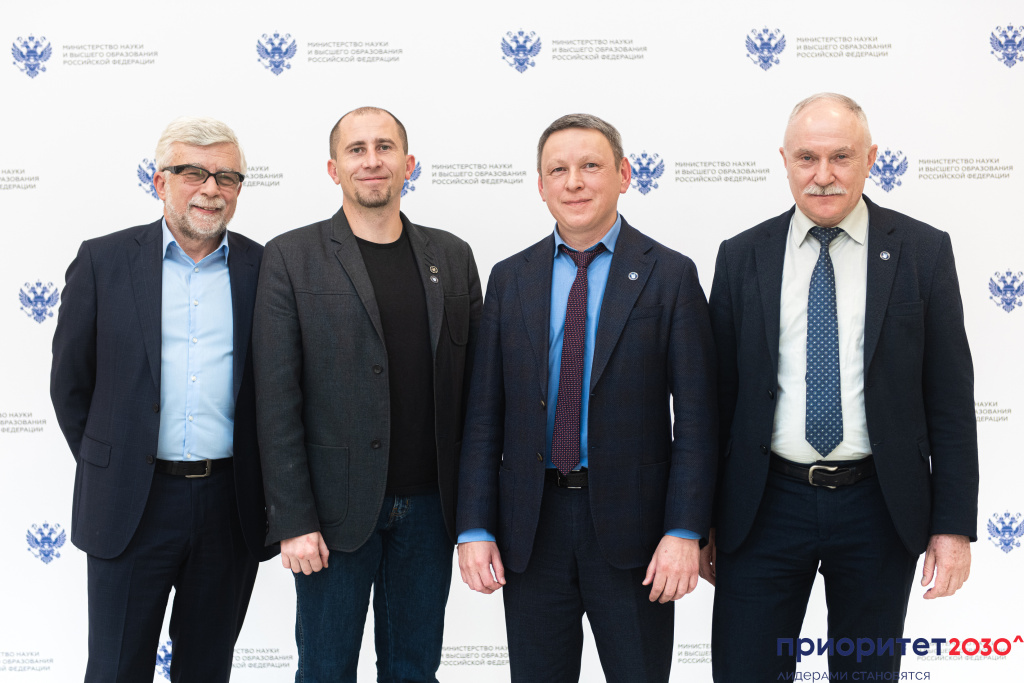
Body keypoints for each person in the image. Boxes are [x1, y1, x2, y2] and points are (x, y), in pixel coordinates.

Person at [702, 93, 978, 680]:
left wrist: (953, 526)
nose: (823, 175)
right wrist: (698, 522)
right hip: (762, 506)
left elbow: (950, 402)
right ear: (785, 161)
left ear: (870, 158)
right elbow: (714, 404)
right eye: (807, 157)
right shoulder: (741, 256)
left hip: (879, 505)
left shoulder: (924, 252)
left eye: (841, 157)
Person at [457, 113, 717, 683]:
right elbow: (483, 417)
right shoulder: (509, 278)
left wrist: (684, 530)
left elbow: (699, 420)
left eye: (591, 166)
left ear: (624, 175)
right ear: (541, 185)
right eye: (559, 170)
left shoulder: (670, 275)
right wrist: (474, 527)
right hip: (531, 528)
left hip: (635, 533)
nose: (574, 182)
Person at [253, 106, 481, 683]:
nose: (372, 160)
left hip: (430, 512)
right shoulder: (291, 257)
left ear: (409, 164)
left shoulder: (453, 256)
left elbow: (477, 395)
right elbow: (275, 401)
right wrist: (293, 519)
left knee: (414, 671)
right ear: (334, 169)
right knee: (325, 671)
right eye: (356, 149)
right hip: (332, 517)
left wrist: (477, 514)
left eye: (385, 147)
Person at [50, 116, 276, 682]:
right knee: (115, 669)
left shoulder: (265, 268)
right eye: (193, 173)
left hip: (229, 505)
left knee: (207, 670)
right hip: (131, 502)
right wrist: (116, 460)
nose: (211, 189)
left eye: (227, 177)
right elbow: (70, 385)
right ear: (159, 182)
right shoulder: (102, 261)